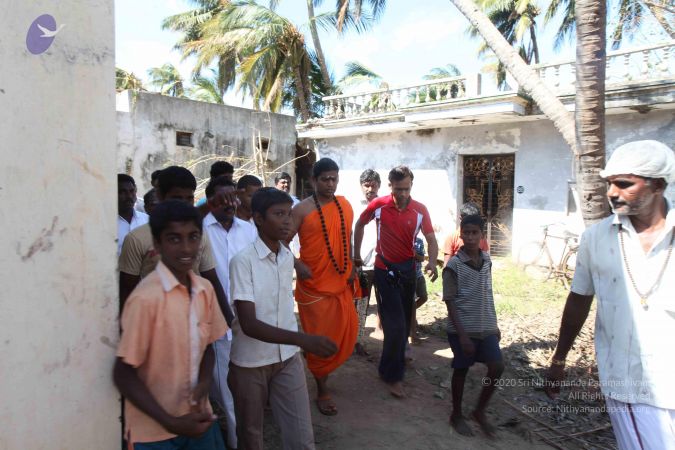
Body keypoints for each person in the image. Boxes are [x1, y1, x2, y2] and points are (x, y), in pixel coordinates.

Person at [545, 140, 675, 449]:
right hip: (628, 381)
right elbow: (579, 299)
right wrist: (559, 359)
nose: (612, 193)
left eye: (624, 184)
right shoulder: (596, 238)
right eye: (609, 184)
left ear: (657, 185)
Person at [113, 200, 229, 450]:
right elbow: (123, 373)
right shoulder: (145, 299)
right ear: (157, 245)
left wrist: (203, 385)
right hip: (153, 432)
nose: (186, 248)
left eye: (193, 237)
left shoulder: (205, 290)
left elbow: (208, 347)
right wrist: (171, 422)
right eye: (174, 239)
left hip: (197, 419)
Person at [228, 187, 337, 450]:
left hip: (287, 358)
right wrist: (302, 339)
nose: (287, 221)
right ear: (258, 219)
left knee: (301, 435)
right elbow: (249, 324)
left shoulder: (287, 257)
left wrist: (297, 343)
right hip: (251, 362)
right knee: (251, 436)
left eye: (289, 214)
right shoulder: (242, 261)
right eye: (279, 214)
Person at [354, 165, 439, 398]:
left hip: (408, 271)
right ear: (390, 186)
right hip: (384, 270)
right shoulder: (378, 205)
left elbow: (431, 239)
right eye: (398, 189)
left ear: (411, 186)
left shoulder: (420, 209)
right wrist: (356, 254)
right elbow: (359, 224)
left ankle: (386, 366)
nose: (402, 194)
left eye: (406, 189)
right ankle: (394, 376)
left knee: (402, 321)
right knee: (396, 326)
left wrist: (432, 262)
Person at [118, 166, 233, 327]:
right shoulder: (137, 239)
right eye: (177, 198)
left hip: (196, 321)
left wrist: (230, 320)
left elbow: (211, 278)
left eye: (189, 198)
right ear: (160, 196)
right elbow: (127, 291)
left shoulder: (200, 234)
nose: (184, 205)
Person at [291, 158, 359, 416]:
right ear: (313, 180)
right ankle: (322, 389)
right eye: (325, 179)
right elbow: (280, 242)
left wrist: (351, 265)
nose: (330, 184)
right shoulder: (301, 210)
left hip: (340, 282)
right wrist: (297, 264)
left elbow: (347, 237)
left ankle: (319, 366)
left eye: (334, 179)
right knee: (319, 338)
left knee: (345, 331)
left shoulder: (345, 205)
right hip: (314, 287)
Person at [202, 176, 257, 450]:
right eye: (222, 199)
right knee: (228, 394)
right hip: (216, 324)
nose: (230, 204)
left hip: (249, 323)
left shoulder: (248, 230)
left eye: (233, 198)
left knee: (248, 390)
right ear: (210, 201)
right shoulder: (199, 230)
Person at [444, 214, 503, 437]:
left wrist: (494, 324)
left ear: (482, 235)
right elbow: (450, 301)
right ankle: (456, 414)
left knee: (497, 366)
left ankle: (479, 411)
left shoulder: (487, 260)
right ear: (461, 235)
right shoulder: (454, 265)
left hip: (486, 326)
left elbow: (488, 293)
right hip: (462, 329)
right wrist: (462, 336)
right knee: (461, 369)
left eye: (474, 233)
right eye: (466, 233)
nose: (469, 237)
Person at [353, 169, 382, 355]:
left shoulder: (385, 206)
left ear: (379, 186)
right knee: (360, 305)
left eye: (373, 185)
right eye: (366, 185)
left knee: (385, 304)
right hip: (361, 264)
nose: (370, 189)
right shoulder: (354, 207)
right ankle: (357, 341)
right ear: (361, 186)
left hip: (383, 264)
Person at [118, 174, 149, 255]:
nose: (129, 196)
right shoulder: (105, 225)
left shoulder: (147, 220)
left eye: (132, 191)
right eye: (123, 192)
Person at [409, 236, 428, 345]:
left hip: (418, 274)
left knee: (424, 297)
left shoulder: (419, 241)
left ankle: (408, 313)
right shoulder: (402, 237)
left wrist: (414, 254)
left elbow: (422, 258)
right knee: (411, 304)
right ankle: (413, 333)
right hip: (407, 275)